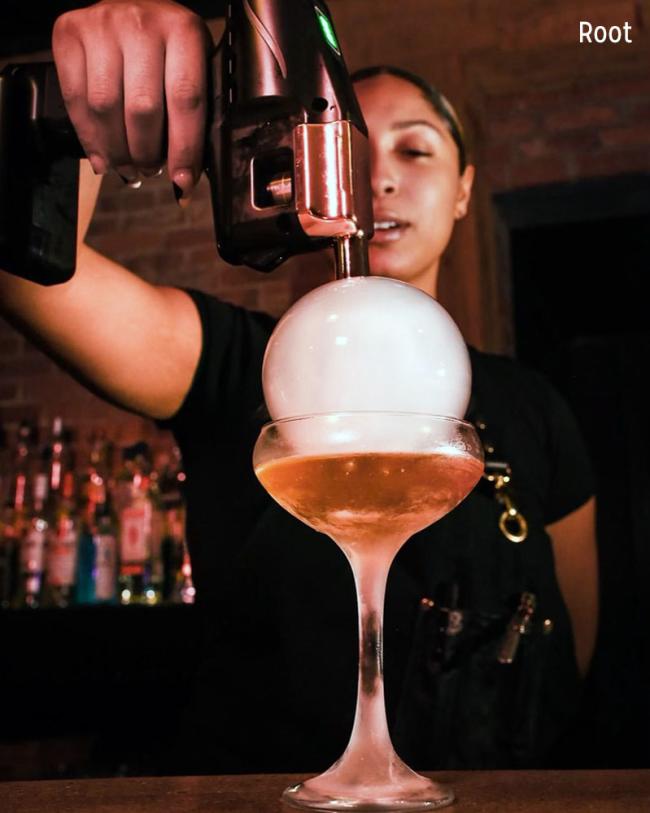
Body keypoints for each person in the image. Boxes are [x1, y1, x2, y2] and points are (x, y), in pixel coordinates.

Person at [0, 0, 597, 773]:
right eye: (355, 147)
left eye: (415, 152)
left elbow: (574, 653)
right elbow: (30, 282)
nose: (377, 177)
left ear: (462, 189)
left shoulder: (534, 409)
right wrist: (87, 98)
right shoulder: (231, 360)